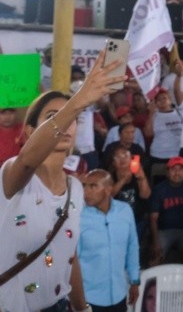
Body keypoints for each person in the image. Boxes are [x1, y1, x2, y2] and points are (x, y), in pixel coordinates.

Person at [0, 49, 124, 311]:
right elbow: (27, 161)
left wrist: (81, 307)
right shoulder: (13, 175)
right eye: (52, 117)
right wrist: (77, 102)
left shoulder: (75, 188)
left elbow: (69, 254)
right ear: (31, 132)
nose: (66, 124)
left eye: (72, 118)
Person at [78, 169, 140, 312]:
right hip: (88, 298)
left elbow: (132, 246)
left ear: (108, 189)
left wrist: (135, 281)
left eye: (93, 186)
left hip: (119, 294)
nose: (86, 192)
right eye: (84, 186)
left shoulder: (125, 211)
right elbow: (72, 261)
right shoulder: (78, 217)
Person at [148, 156, 183, 265]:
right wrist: (155, 241)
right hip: (164, 230)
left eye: (180, 169)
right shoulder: (159, 189)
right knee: (154, 257)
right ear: (167, 172)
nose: (177, 173)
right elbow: (153, 218)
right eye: (173, 169)